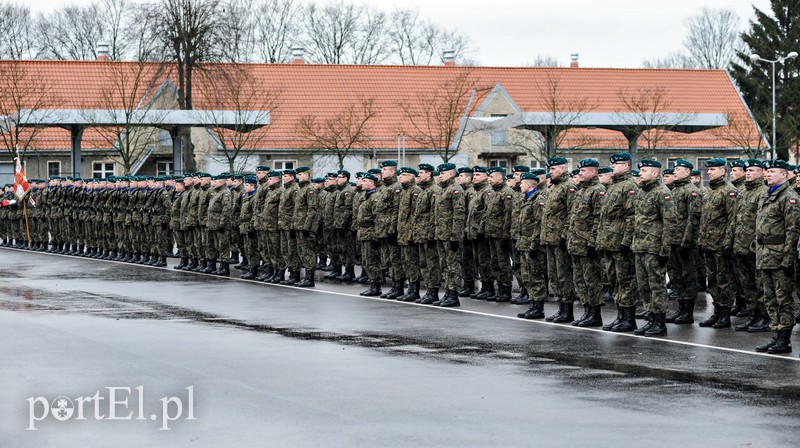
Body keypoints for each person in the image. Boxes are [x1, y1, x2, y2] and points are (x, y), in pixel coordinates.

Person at [754, 160, 799, 354]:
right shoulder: (766, 193)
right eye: (767, 171)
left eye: (772, 172)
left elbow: (793, 230)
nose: (767, 174)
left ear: (784, 175)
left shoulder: (790, 198)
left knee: (783, 299)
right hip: (764, 254)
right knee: (769, 298)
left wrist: (788, 259)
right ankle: (775, 334)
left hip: (780, 256)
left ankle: (784, 338)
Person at [596, 152, 639, 332]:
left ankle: (629, 318)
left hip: (620, 243)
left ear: (627, 166)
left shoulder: (629, 186)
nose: (613, 166)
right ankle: (620, 315)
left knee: (625, 281)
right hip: (609, 242)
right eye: (613, 164)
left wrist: (626, 242)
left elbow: (632, 217)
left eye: (617, 164)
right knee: (614, 281)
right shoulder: (613, 186)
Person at [726, 159, 769, 332]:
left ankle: (764, 317)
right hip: (739, 247)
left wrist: (753, 246)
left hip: (754, 249)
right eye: (747, 170)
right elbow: (734, 219)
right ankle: (753, 315)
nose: (748, 173)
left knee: (760, 285)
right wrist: (729, 243)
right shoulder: (742, 192)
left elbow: (763, 224)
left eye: (752, 170)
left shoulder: (764, 192)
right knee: (747, 285)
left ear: (760, 173)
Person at [632, 159, 672, 337]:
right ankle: (651, 318)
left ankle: (660, 322)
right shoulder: (642, 192)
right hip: (640, 246)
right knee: (644, 286)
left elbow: (670, 222)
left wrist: (665, 249)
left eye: (645, 170)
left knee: (657, 285)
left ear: (655, 173)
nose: (640, 173)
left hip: (654, 247)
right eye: (640, 170)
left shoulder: (663, 193)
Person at [698, 158, 737, 329]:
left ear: (723, 171)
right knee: (712, 281)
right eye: (709, 169)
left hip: (721, 245)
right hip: (709, 244)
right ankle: (716, 312)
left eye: (713, 169)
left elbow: (733, 220)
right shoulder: (710, 192)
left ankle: (725, 314)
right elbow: (705, 220)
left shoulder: (729, 191)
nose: (709, 172)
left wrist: (728, 243)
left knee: (724, 280)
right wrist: (701, 241)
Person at [568, 158, 605, 327]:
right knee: (580, 280)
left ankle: (595, 313)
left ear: (593, 172)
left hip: (587, 244)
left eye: (583, 171)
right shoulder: (580, 190)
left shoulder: (598, 191)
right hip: (576, 243)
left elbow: (598, 219)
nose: (580, 173)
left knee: (592, 280)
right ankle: (587, 311)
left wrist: (592, 242)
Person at [665, 159, 701, 325]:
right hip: (672, 240)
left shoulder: (691, 191)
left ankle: (688, 311)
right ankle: (680, 307)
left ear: (687, 172)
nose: (675, 171)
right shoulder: (674, 190)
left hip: (684, 243)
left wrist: (686, 242)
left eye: (678, 169)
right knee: (676, 275)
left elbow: (693, 218)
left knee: (688, 276)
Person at [541, 157, 576, 322]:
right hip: (549, 238)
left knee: (564, 275)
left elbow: (571, 214)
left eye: (554, 169)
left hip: (560, 239)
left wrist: (565, 235)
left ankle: (568, 310)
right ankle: (560, 307)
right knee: (554, 276)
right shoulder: (553, 188)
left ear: (563, 168)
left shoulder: (568, 187)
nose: (551, 172)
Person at [433, 162, 466, 307]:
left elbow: (458, 215)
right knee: (444, 265)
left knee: (453, 265)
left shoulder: (455, 190)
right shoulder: (442, 190)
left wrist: (455, 236)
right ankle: (447, 291)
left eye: (443, 173)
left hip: (450, 235)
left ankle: (453, 294)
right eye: (440, 173)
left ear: (452, 174)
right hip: (441, 234)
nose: (440, 175)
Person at [516, 171, 548, 319]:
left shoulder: (538, 199)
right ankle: (532, 304)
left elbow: (540, 223)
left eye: (521, 183)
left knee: (536, 276)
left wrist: (535, 244)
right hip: (524, 244)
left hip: (533, 245)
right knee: (527, 276)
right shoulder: (525, 199)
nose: (519, 185)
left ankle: (538, 307)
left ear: (529, 185)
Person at [484, 166, 515, 302]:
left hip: (501, 234)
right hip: (491, 233)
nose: (489, 179)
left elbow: (508, 215)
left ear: (499, 177)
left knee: (503, 263)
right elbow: (487, 213)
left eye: (491, 177)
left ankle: (506, 289)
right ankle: (500, 288)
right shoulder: (491, 192)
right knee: (494, 263)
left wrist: (505, 235)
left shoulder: (507, 192)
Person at [415, 164, 442, 304]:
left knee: (432, 264)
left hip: (429, 234)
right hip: (421, 233)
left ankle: (434, 291)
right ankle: (428, 289)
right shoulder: (423, 191)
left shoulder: (434, 191)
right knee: (424, 264)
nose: (419, 175)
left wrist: (432, 234)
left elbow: (434, 214)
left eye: (421, 173)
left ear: (429, 174)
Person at [396, 167, 422, 302]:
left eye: (404, 175)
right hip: (403, 233)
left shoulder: (415, 191)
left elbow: (415, 215)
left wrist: (412, 234)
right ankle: (409, 288)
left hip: (410, 234)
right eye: (399, 175)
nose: (400, 177)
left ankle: (414, 289)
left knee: (413, 262)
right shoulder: (404, 191)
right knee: (406, 262)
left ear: (412, 177)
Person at [357, 174, 383, 296]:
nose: (362, 183)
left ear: (372, 183)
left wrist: (376, 236)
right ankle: (372, 283)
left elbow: (378, 218)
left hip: (370, 233)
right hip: (363, 232)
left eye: (365, 181)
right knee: (366, 260)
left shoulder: (375, 197)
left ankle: (376, 286)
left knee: (372, 260)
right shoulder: (365, 196)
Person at [293, 167, 319, 287]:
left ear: (307, 175)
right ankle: (307, 277)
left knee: (308, 252)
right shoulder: (301, 189)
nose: (298, 176)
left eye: (300, 174)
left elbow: (312, 209)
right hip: (299, 225)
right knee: (302, 252)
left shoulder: (310, 190)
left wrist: (307, 227)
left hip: (306, 227)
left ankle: (310, 278)